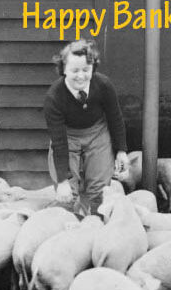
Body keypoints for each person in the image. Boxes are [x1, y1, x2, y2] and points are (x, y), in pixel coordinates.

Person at [44, 39, 129, 215]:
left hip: (97, 132)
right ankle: (68, 227)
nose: (81, 76)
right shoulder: (54, 97)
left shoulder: (103, 85)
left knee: (99, 190)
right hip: (67, 136)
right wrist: (62, 181)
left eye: (86, 70)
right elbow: (58, 142)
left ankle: (97, 224)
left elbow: (115, 118)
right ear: (63, 70)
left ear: (93, 68)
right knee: (68, 193)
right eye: (74, 70)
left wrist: (121, 151)